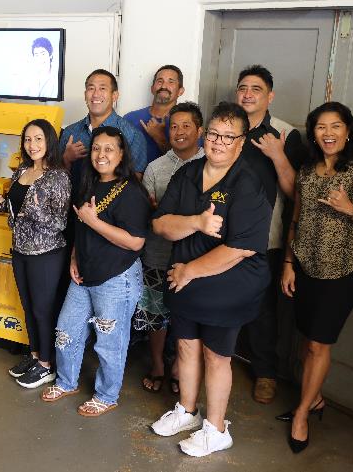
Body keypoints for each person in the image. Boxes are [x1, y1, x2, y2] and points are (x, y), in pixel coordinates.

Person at [148, 102, 271, 457]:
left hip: (227, 283)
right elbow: (160, 224)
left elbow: (241, 249)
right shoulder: (187, 174)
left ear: (241, 142)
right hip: (185, 281)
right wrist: (197, 223)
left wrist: (189, 270)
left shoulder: (248, 183)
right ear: (205, 135)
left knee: (217, 355)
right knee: (186, 345)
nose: (218, 142)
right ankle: (187, 411)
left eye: (228, 136)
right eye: (214, 134)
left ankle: (217, 430)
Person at [277, 102, 353, 453]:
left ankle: (302, 415)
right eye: (321, 127)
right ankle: (317, 398)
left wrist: (349, 209)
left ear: (348, 130)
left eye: (335, 126)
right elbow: (295, 218)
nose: (328, 133)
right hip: (306, 267)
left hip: (344, 269)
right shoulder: (307, 171)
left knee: (318, 344)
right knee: (306, 338)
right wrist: (289, 264)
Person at [40, 126, 149, 416]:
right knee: (65, 331)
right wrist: (75, 257)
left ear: (122, 153)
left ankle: (106, 395)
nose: (102, 155)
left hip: (117, 278)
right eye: (97, 148)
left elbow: (136, 241)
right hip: (84, 275)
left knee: (109, 343)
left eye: (109, 149)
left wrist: (94, 221)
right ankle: (67, 382)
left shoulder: (132, 191)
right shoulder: (88, 182)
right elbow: (79, 228)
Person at [235, 64, 307, 405]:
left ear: (270, 95)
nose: (248, 94)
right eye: (243, 88)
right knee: (222, 300)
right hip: (223, 235)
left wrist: (278, 156)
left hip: (267, 238)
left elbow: (297, 192)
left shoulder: (285, 134)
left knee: (264, 311)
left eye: (256, 89)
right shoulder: (227, 128)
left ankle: (265, 373)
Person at [0, 119, 70, 389]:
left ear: (49, 142)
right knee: (28, 307)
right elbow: (16, 209)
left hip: (46, 253)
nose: (32, 145)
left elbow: (61, 224)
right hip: (20, 249)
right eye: (27, 140)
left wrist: (36, 212)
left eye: (38, 139)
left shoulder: (59, 176)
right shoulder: (21, 170)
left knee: (42, 310)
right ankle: (35, 355)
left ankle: (47, 365)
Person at [138, 102, 205, 395]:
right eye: (174, 126)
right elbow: (145, 214)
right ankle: (157, 364)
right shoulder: (156, 167)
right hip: (157, 254)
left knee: (186, 320)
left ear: (200, 131)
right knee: (156, 314)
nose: (179, 132)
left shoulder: (211, 166)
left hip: (194, 260)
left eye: (186, 126)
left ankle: (179, 367)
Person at [58, 69, 147, 185]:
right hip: (74, 202)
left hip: (113, 202)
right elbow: (56, 181)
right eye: (91, 88)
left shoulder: (132, 134)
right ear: (85, 95)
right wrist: (66, 159)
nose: (96, 94)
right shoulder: (70, 132)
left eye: (102, 88)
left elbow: (135, 181)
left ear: (115, 96)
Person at [124, 65, 186, 164]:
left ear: (180, 91)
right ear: (152, 89)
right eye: (160, 81)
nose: (164, 86)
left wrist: (159, 137)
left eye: (171, 82)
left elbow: (187, 165)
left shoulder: (187, 124)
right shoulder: (130, 119)